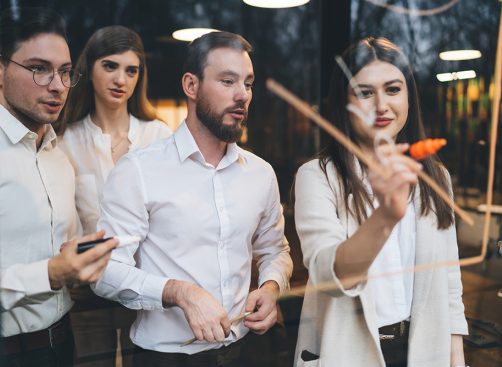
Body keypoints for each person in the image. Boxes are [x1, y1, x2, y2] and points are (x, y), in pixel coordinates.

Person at [92, 31, 293, 367]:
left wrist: (271, 287)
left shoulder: (260, 173)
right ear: (191, 86)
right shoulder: (139, 170)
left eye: (248, 83)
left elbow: (276, 249)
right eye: (228, 81)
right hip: (165, 358)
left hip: (246, 352)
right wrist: (179, 292)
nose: (242, 95)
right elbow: (105, 271)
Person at [293, 36, 468, 367]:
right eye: (364, 93)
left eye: (393, 89)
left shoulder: (436, 177)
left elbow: (448, 283)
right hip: (345, 352)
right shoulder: (316, 177)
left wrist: (456, 358)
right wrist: (384, 216)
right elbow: (328, 276)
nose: (382, 105)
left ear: (408, 95)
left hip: (423, 353)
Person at [0, 7, 117, 367]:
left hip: (62, 342)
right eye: (39, 69)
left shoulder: (58, 157)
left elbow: (61, 252)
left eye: (63, 71)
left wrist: (81, 257)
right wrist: (50, 273)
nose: (58, 85)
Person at [56, 26, 172, 366]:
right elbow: (66, 225)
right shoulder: (65, 141)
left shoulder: (159, 136)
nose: (121, 78)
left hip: (147, 288)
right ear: (88, 70)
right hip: (86, 293)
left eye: (131, 70)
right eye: (110, 66)